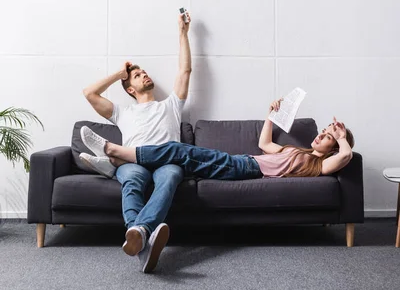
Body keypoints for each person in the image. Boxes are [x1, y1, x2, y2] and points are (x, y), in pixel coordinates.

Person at [82, 10, 192, 273]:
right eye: (137, 75)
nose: (144, 75)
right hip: (135, 163)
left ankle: (138, 233)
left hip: (166, 161)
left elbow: (185, 70)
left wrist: (183, 33)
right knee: (131, 179)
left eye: (144, 72)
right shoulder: (123, 111)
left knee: (170, 176)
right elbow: (89, 93)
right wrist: (119, 74)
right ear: (130, 88)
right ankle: (141, 233)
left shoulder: (171, 105)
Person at [80, 98, 355, 187]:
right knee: (179, 156)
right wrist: (270, 115)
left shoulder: (320, 165)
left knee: (177, 150)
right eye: (325, 130)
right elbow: (265, 143)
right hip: (244, 162)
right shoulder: (296, 151)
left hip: (248, 169)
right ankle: (115, 163)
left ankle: (112, 149)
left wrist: (343, 139)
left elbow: (345, 158)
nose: (322, 134)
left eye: (328, 136)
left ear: (332, 147)